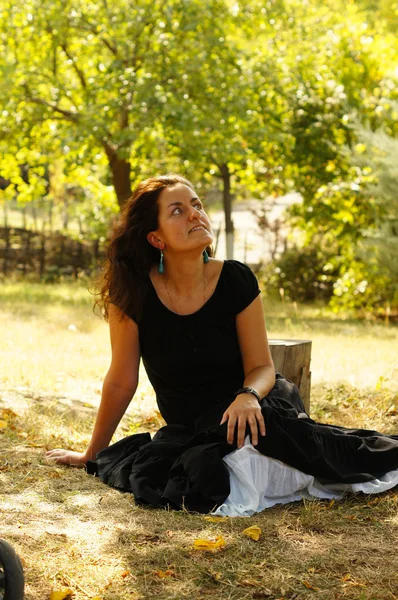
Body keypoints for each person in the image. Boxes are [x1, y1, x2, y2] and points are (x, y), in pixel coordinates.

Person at [46, 174, 398, 515]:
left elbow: (262, 367)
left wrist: (247, 395)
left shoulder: (235, 279)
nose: (195, 214)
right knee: (199, 472)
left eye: (196, 204)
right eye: (177, 210)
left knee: (275, 433)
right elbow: (122, 380)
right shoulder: (133, 295)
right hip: (193, 429)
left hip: (254, 405)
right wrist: (92, 452)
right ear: (156, 238)